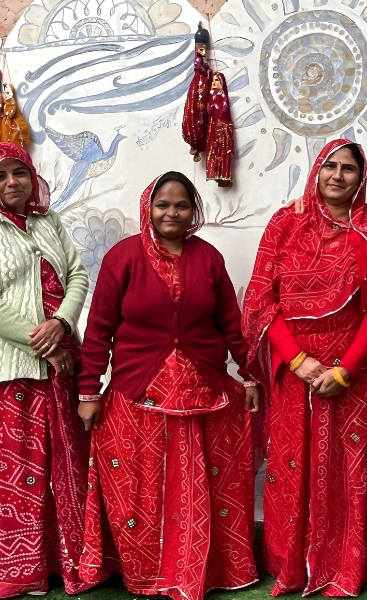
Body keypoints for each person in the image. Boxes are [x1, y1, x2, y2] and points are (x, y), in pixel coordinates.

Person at [76, 172, 261, 600]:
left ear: (193, 211)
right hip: (138, 392)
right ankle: (145, 570)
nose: (171, 213)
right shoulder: (123, 257)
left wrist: (248, 374)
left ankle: (200, 568)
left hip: (201, 391)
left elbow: (230, 324)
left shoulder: (208, 258)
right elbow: (100, 328)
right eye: (163, 205)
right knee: (144, 487)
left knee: (198, 483)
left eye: (181, 205)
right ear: (148, 207)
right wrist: (89, 391)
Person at [242, 139, 367, 597]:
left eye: (348, 169)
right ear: (316, 171)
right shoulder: (285, 222)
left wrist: (346, 370)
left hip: (354, 369)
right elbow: (262, 298)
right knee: (293, 465)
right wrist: (297, 360)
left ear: (361, 177)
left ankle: (347, 563)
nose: (337, 175)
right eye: (330, 166)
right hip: (296, 368)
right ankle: (290, 563)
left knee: (349, 468)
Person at [0, 142, 92, 597]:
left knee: (65, 465)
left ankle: (69, 562)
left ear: (33, 177)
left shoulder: (48, 222)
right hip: (9, 370)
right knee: (16, 470)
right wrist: (43, 345)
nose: (12, 182)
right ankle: (16, 570)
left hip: (63, 365)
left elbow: (77, 275)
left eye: (20, 172)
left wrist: (62, 323)